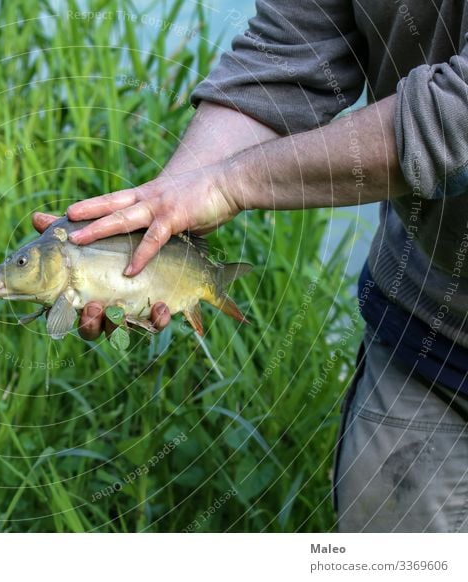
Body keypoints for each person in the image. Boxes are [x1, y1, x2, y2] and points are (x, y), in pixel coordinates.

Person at [35, 1, 468, 532]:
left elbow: (456, 118)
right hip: (423, 329)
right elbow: (291, 47)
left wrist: (229, 183)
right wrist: (162, 212)